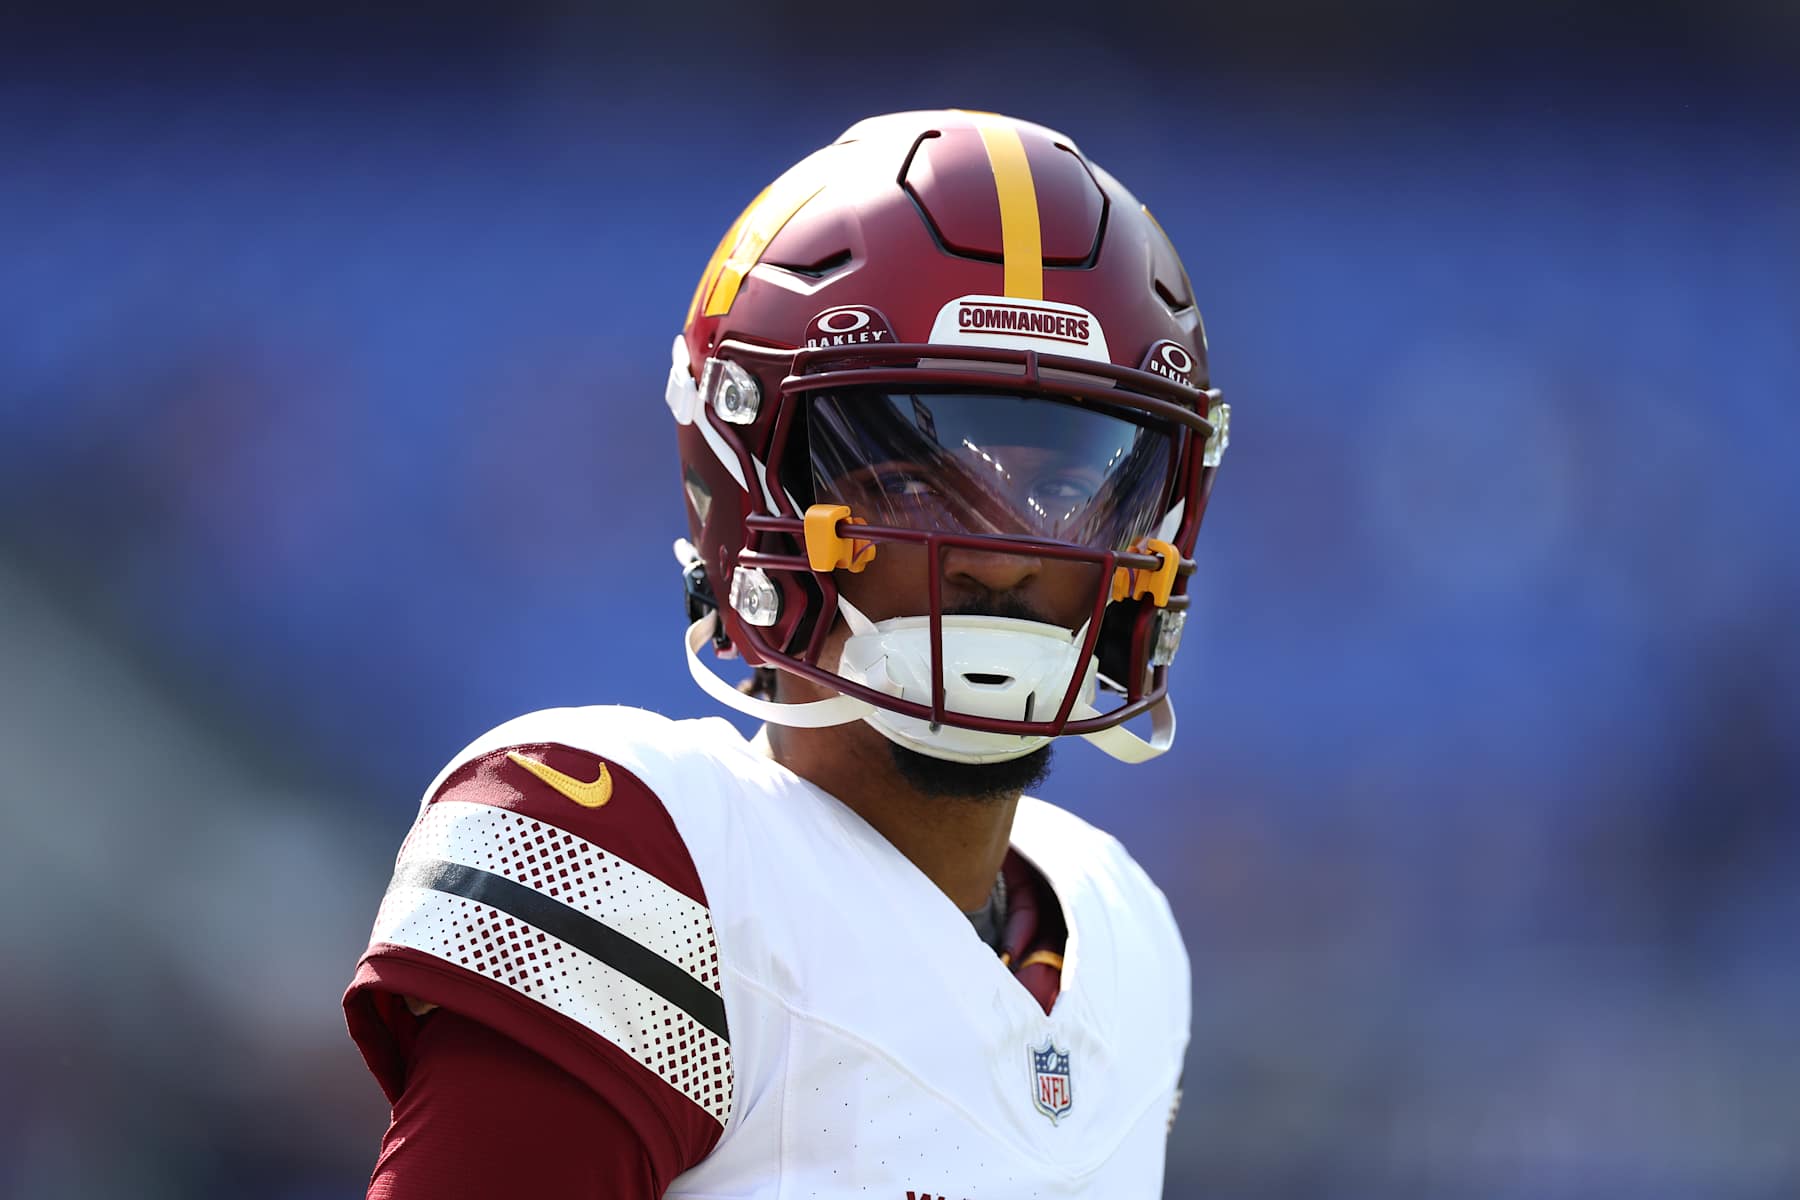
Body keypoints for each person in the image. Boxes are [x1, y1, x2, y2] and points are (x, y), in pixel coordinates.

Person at [344, 108, 1230, 1198]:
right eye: (909, 479)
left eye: (1066, 487)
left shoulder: (1128, 940)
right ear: (750, 480)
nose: (1003, 558)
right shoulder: (649, 861)